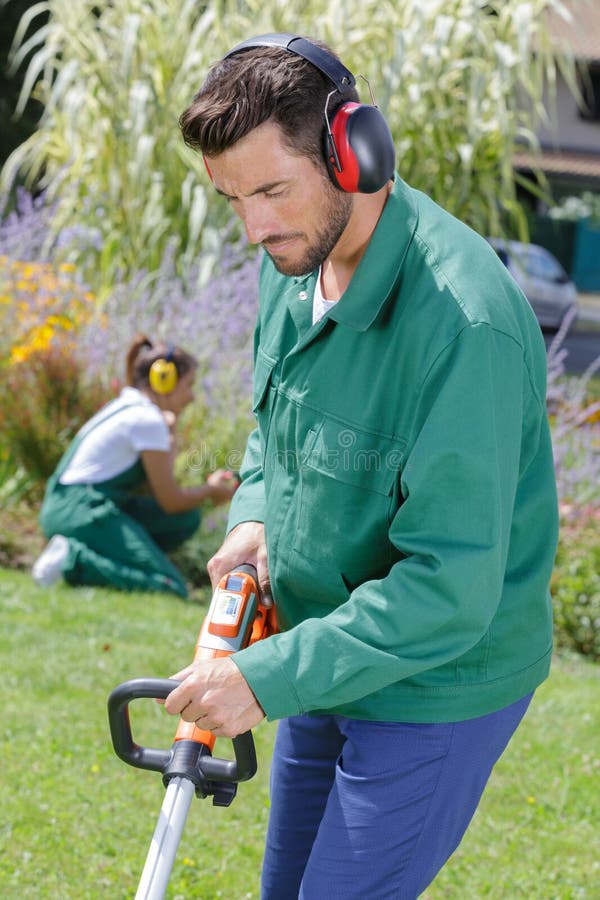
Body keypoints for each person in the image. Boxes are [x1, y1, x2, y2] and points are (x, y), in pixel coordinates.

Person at [163, 34, 559, 898]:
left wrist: (263, 680)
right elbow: (276, 429)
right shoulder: (292, 261)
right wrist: (256, 516)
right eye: (234, 198)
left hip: (438, 679)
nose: (255, 224)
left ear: (354, 151)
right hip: (326, 650)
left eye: (272, 188)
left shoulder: (464, 326)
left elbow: (449, 588)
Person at [32, 334, 237, 597]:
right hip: (81, 509)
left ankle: (124, 559)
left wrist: (170, 434)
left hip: (70, 505)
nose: (191, 397)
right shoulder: (146, 420)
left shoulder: (132, 408)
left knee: (184, 520)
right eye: (188, 385)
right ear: (164, 381)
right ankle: (72, 559)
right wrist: (210, 490)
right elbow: (170, 500)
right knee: (170, 587)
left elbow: (162, 499)